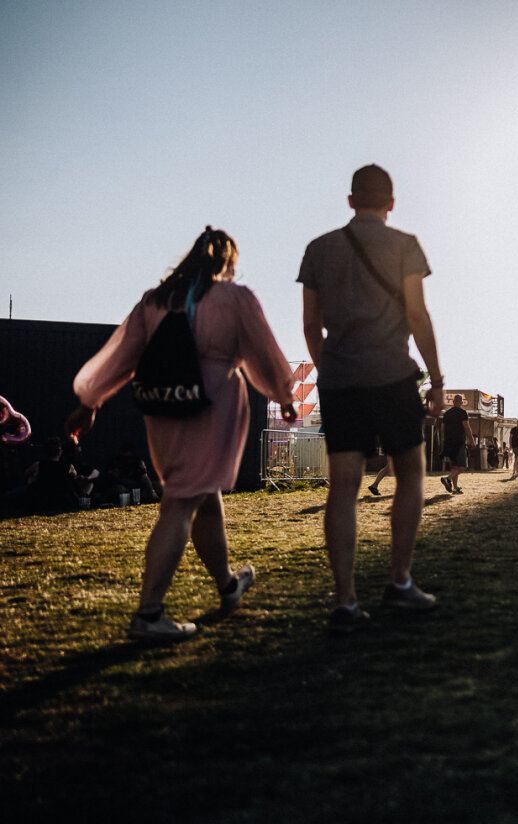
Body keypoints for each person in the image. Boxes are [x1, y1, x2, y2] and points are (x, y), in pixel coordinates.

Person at [68, 226, 296, 640]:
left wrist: (90, 402)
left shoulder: (154, 301)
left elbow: (122, 354)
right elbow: (264, 349)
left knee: (201, 496)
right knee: (180, 503)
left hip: (163, 404)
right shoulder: (235, 297)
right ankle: (149, 614)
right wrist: (283, 394)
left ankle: (228, 585)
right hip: (211, 403)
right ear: (227, 261)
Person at [299, 165, 444, 632]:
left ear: (349, 200)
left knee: (343, 487)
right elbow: (417, 315)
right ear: (392, 203)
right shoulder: (405, 245)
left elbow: (309, 325)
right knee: (411, 476)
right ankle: (399, 580)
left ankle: (344, 600)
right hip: (393, 376)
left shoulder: (319, 249)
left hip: (340, 379)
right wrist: (437, 379)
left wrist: (331, 367)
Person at [439, 393, 473, 494]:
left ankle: (455, 488)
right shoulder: (463, 412)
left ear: (453, 402)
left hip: (449, 443)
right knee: (462, 467)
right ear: (462, 403)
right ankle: (447, 479)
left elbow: (442, 429)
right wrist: (472, 441)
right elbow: (466, 427)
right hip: (459, 442)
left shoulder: (446, 413)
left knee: (455, 467)